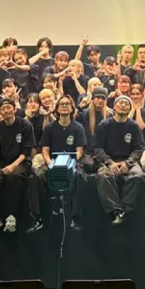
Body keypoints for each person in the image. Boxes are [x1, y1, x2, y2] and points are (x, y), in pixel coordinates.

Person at [0, 98, 42, 234]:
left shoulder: (25, 125)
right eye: (3, 109)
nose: (6, 111)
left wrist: (12, 166)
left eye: (8, 107)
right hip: (1, 161)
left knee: (14, 176)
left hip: (21, 161)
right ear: (0, 112)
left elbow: (26, 151)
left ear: (14, 109)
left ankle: (12, 215)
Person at [93, 95, 145, 225]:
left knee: (137, 176)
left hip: (128, 160)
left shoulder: (134, 126)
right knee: (103, 176)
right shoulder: (104, 125)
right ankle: (115, 211)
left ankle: (125, 211)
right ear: (114, 106)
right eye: (120, 103)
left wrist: (128, 163)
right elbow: (98, 148)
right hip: (108, 161)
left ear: (130, 108)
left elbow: (139, 149)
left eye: (126, 104)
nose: (123, 105)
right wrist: (110, 163)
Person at [40, 95, 89, 230]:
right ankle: (39, 217)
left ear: (72, 108)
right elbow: (45, 150)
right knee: (38, 176)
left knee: (80, 176)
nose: (64, 106)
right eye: (61, 104)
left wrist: (68, 163)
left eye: (67, 104)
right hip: (52, 162)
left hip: (72, 162)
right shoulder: (49, 127)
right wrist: (51, 164)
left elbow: (79, 151)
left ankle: (75, 216)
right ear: (56, 109)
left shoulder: (78, 127)